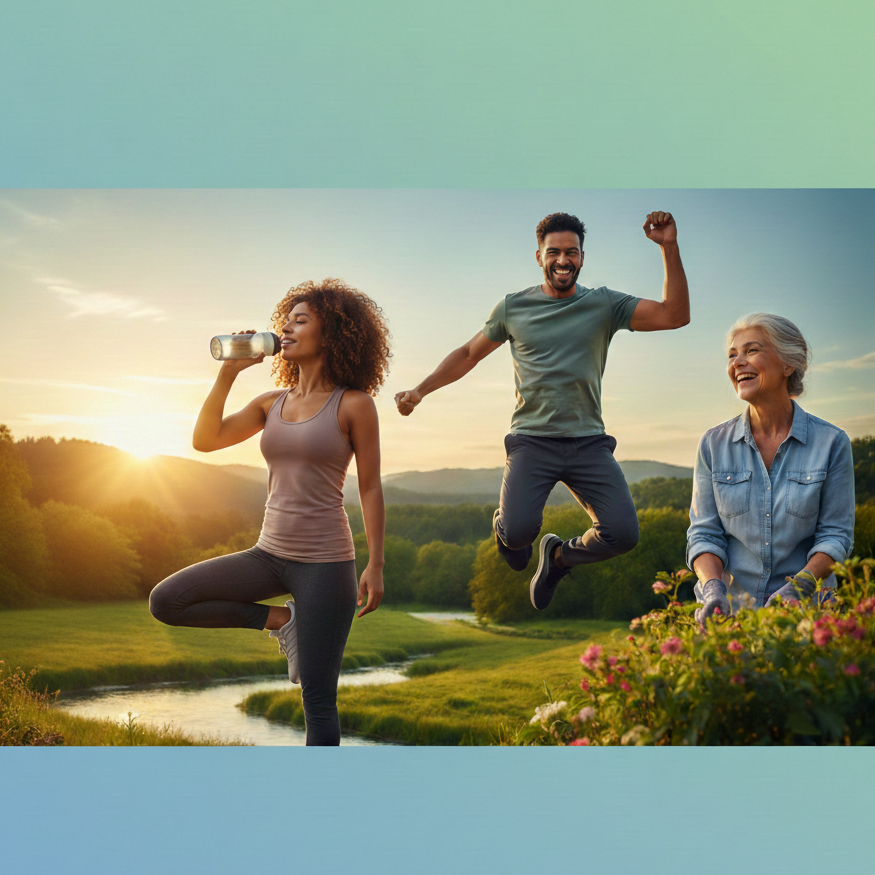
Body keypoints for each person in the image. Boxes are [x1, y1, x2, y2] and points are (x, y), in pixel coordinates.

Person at [394, 211, 690, 610]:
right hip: (532, 442)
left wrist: (668, 247)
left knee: (622, 534)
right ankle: (506, 531)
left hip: (588, 443)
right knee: (517, 533)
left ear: (582, 257)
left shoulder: (603, 304)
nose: (563, 260)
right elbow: (468, 354)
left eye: (571, 252)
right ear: (539, 256)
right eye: (554, 252)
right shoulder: (513, 308)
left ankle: (557, 557)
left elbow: (675, 315)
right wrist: (419, 390)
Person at [150, 279, 389, 745]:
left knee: (318, 701)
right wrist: (229, 372)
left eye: (301, 321)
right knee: (167, 600)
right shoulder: (270, 403)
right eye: (287, 320)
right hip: (268, 553)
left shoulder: (355, 405)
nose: (287, 328)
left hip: (325, 563)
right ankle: (282, 622)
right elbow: (205, 440)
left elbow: (371, 486)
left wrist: (376, 564)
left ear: (332, 335)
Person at [687, 313, 855, 628]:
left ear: (788, 364)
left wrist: (799, 589)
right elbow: (705, 533)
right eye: (732, 355)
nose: (737, 362)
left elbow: (836, 536)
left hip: (807, 618)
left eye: (751, 351)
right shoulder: (713, 444)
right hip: (730, 618)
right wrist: (712, 588)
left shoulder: (832, 443)